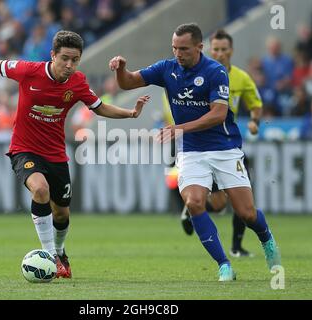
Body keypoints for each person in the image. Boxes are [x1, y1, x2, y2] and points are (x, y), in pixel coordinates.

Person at [109, 23, 281, 281]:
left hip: (225, 148)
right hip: (191, 151)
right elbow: (128, 83)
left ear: (200, 47)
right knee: (194, 202)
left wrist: (180, 127)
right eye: (175, 48)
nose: (178, 53)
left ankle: (267, 240)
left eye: (184, 49)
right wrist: (121, 68)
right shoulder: (167, 68)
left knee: (246, 213)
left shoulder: (215, 72)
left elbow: (219, 114)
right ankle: (224, 265)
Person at [0, 30, 150, 279]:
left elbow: (99, 108)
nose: (69, 65)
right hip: (24, 149)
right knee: (40, 189)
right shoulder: (28, 71)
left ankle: (60, 251)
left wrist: (130, 113)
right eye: (64, 58)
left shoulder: (77, 82)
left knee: (61, 213)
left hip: (56, 154)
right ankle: (50, 257)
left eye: (74, 60)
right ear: (52, 55)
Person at [179, 29, 263, 258]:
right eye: (216, 49)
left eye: (224, 49)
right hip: (204, 144)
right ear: (208, 49)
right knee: (216, 204)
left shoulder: (241, 78)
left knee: (242, 198)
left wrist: (255, 121)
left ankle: (236, 246)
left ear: (231, 51)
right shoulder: (199, 74)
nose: (220, 53)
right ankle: (192, 207)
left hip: (229, 144)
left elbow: (255, 103)